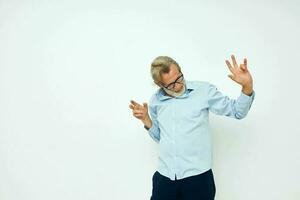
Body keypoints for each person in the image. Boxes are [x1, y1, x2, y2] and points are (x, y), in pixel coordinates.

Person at [129, 55, 255, 200]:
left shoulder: (204, 91)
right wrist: (146, 119)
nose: (178, 84)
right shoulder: (156, 101)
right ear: (160, 85)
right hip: (164, 178)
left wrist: (247, 87)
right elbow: (161, 138)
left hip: (197, 180)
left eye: (179, 78)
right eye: (171, 84)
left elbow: (237, 111)